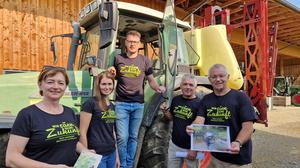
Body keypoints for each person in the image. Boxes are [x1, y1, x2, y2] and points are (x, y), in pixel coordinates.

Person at [6, 65, 87, 168]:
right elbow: (11, 159)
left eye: (61, 83)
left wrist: (86, 151)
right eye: (50, 82)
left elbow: (71, 141)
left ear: (65, 87)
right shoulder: (27, 115)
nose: (56, 87)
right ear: (40, 85)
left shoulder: (69, 112)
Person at [108, 30, 166, 168]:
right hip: (121, 103)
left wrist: (158, 88)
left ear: (139, 43)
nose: (132, 44)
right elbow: (111, 74)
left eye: (135, 42)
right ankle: (123, 165)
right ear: (126, 43)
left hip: (138, 104)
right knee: (122, 138)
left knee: (133, 137)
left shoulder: (145, 60)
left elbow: (151, 80)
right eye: (130, 41)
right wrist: (110, 72)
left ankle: (129, 165)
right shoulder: (118, 59)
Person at [187, 64, 257, 168]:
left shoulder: (241, 98)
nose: (218, 79)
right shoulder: (206, 99)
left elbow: (248, 127)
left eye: (221, 76)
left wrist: (238, 142)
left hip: (237, 160)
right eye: (214, 77)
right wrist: (193, 128)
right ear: (209, 79)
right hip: (215, 158)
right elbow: (199, 120)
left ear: (227, 77)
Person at [160, 74, 202, 168]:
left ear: (195, 87)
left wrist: (194, 149)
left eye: (191, 85)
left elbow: (201, 129)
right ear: (181, 86)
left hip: (190, 148)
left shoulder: (200, 104)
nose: (188, 87)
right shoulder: (176, 100)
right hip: (175, 146)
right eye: (185, 84)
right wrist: (165, 111)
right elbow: (171, 118)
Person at [80, 71, 120, 168]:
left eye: (110, 84)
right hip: (96, 154)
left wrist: (117, 156)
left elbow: (112, 131)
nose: (107, 87)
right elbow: (82, 132)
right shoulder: (90, 103)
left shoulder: (112, 105)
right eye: (104, 84)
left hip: (111, 153)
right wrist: (87, 155)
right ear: (98, 85)